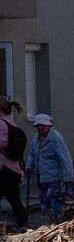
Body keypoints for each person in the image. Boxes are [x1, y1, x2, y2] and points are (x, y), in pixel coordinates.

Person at [24, 114, 74, 218]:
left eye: (42, 125)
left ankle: (58, 222)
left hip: (54, 178)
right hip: (41, 177)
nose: (40, 128)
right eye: (38, 126)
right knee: (44, 202)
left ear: (48, 125)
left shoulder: (55, 137)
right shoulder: (35, 138)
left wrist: (68, 177)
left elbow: (64, 157)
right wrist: (29, 166)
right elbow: (32, 153)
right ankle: (49, 223)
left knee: (55, 201)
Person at [0, 96, 28, 228]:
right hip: (14, 169)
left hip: (5, 169)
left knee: (15, 200)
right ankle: (23, 225)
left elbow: (3, 142)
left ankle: (23, 224)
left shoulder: (1, 123)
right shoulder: (11, 123)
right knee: (15, 200)